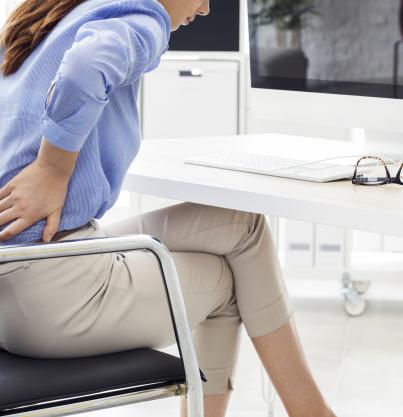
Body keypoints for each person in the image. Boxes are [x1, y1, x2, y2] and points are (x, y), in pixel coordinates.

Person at [0, 1, 337, 416]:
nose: (208, 8)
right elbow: (88, 65)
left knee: (242, 225)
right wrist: (53, 168)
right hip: (52, 294)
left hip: (23, 274)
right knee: (229, 281)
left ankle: (311, 410)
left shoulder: (57, 14)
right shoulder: (141, 17)